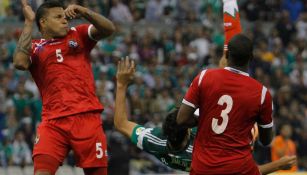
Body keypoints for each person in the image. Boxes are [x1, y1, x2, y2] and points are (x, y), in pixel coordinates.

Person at [114, 57, 296, 174]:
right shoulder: (205, 151)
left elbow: (121, 124)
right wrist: (277, 165)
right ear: (188, 131)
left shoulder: (155, 140)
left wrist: (121, 86)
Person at [13, 0, 115, 175]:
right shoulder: (36, 48)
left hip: (86, 118)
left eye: (64, 16)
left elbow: (109, 29)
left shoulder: (78, 34)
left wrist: (83, 11)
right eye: (58, 17)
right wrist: (29, 22)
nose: (65, 20)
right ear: (43, 22)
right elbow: (20, 63)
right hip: (53, 123)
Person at [176, 34, 274, 175]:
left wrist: (205, 120)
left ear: (226, 54)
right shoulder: (262, 94)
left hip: (203, 167)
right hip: (239, 168)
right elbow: (266, 140)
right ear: (251, 58)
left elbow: (182, 119)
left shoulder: (204, 77)